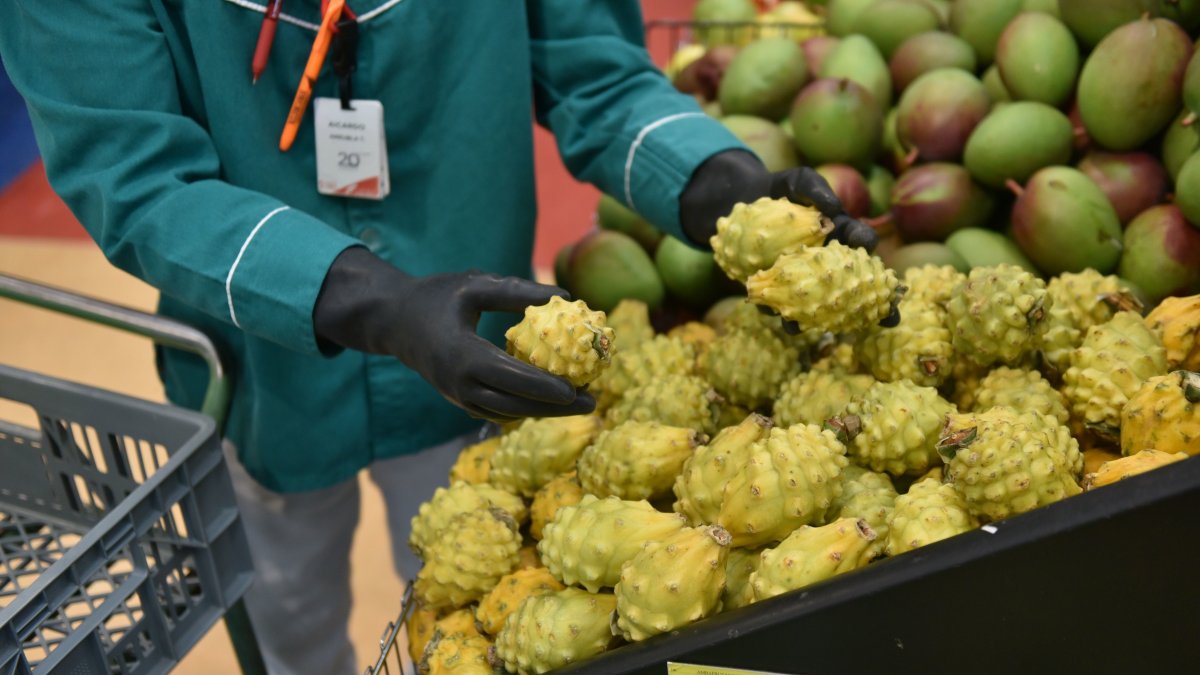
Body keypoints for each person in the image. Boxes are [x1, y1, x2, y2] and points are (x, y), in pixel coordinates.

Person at [0, 2, 879, 673]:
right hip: (263, 367)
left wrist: (715, 183)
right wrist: (364, 296)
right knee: (286, 593)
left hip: (480, 342)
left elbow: (590, 67)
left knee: (481, 576)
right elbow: (136, 177)